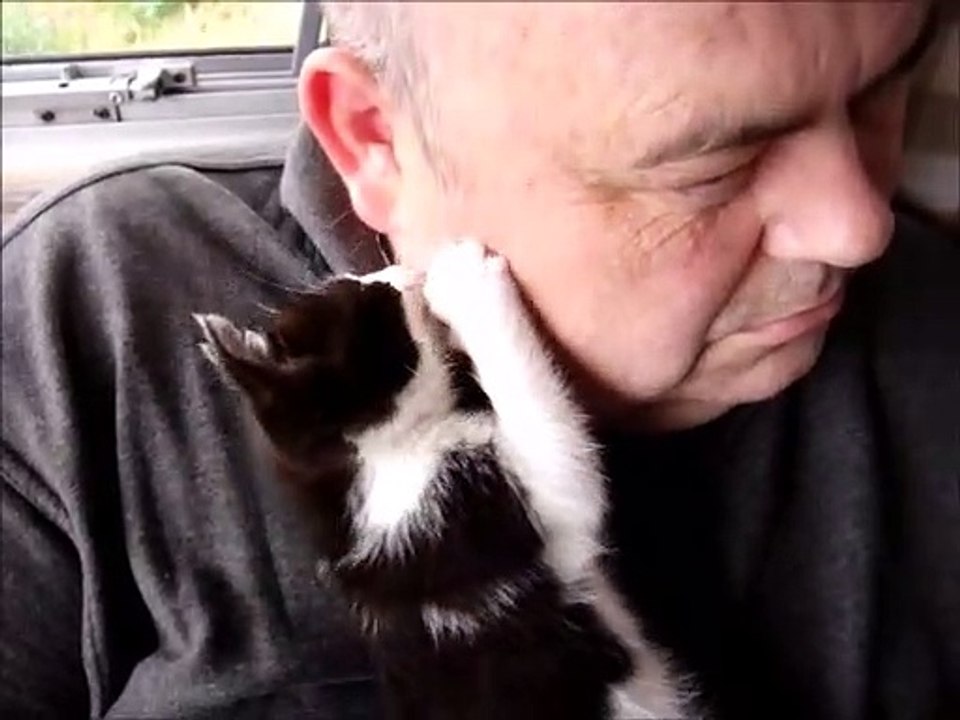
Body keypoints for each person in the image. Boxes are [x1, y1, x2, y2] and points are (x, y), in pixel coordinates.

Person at [2, 2, 957, 718]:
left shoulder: (932, 324)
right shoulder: (90, 314)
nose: (859, 225)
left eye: (880, 91)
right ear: (376, 140)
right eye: (709, 169)